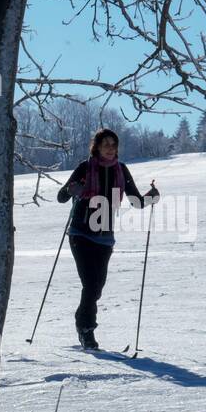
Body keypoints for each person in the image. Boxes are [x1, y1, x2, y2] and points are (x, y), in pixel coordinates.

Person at [57, 128, 160, 350]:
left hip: (105, 237)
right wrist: (72, 189)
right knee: (91, 285)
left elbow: (136, 202)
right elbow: (61, 197)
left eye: (114, 144)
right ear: (97, 146)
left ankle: (81, 319)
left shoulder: (121, 170)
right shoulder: (85, 167)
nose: (110, 148)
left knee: (97, 287)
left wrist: (152, 197)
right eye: (106, 144)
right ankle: (86, 330)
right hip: (81, 234)